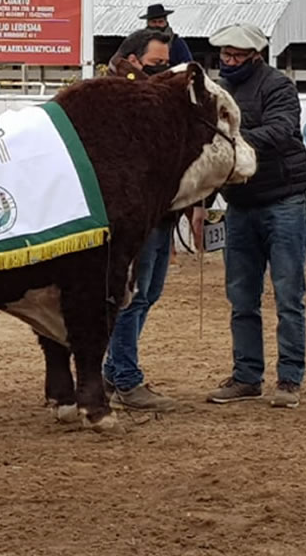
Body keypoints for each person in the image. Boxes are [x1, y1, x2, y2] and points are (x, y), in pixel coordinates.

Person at [196, 23, 306, 409]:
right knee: (242, 296)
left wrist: (231, 143)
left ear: (254, 56)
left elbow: (281, 130)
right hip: (242, 204)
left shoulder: (278, 87)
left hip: (282, 201)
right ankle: (248, 376)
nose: (228, 62)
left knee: (287, 294)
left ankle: (288, 378)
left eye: (235, 56)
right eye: (225, 56)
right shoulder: (219, 92)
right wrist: (206, 197)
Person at [101, 29, 177, 412]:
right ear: (132, 61)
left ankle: (113, 374)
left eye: (165, 64)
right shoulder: (117, 99)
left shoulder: (149, 99)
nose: (162, 72)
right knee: (132, 296)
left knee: (147, 294)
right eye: (155, 65)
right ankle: (126, 378)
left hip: (158, 213)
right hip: (135, 215)